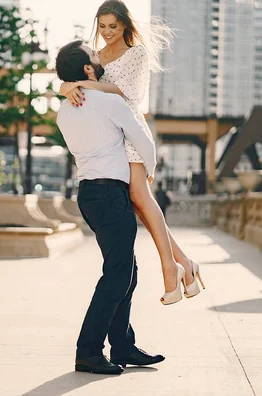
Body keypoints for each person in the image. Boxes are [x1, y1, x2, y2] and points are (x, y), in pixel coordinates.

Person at [59, 0, 205, 305]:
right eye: (102, 26)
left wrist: (80, 84)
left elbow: (131, 95)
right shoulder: (95, 56)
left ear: (125, 24)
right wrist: (66, 87)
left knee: (140, 198)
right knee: (138, 205)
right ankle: (185, 265)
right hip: (110, 135)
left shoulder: (136, 53)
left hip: (130, 132)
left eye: (114, 26)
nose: (108, 32)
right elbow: (74, 81)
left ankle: (172, 269)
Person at [56, 40, 165, 375]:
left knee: (125, 273)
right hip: (111, 194)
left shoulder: (64, 109)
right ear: (88, 70)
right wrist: (149, 172)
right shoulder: (108, 101)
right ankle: (88, 350)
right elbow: (144, 141)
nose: (98, 57)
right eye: (93, 57)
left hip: (89, 194)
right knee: (118, 276)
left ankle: (123, 345)